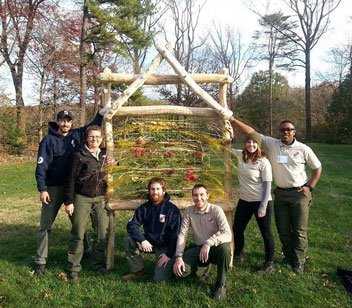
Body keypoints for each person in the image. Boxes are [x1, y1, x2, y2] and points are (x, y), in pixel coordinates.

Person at [230, 117, 322, 274]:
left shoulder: (303, 148)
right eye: (282, 130)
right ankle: (287, 256)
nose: (285, 132)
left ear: (294, 132)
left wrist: (310, 187)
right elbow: (252, 133)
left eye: (289, 129)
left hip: (299, 194)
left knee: (299, 230)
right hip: (280, 193)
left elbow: (317, 167)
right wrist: (232, 120)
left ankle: (298, 261)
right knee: (283, 229)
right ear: (279, 132)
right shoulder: (273, 144)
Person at [34, 108, 107, 275]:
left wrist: (101, 113)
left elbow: (93, 127)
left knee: (78, 224)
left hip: (73, 188)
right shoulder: (48, 140)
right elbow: (41, 166)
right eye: (62, 120)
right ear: (58, 122)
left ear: (71, 122)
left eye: (68, 120)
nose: (65, 123)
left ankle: (86, 252)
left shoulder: (76, 135)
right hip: (53, 187)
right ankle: (40, 261)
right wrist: (42, 189)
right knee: (46, 225)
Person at [64, 125, 111, 281]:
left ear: (102, 138)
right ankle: (74, 268)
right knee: (78, 232)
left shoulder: (105, 154)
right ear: (86, 138)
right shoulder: (79, 155)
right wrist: (69, 201)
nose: (95, 139)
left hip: (100, 198)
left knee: (102, 232)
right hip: (82, 197)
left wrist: (114, 164)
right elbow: (70, 179)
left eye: (98, 137)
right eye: (92, 137)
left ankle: (97, 265)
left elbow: (112, 173)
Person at [173, 184, 232, 301]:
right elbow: (182, 234)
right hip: (198, 248)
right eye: (195, 195)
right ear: (192, 197)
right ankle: (203, 267)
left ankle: (221, 283)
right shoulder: (189, 211)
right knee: (181, 272)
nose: (198, 198)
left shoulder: (216, 210)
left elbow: (227, 234)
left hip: (215, 248)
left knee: (225, 250)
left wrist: (209, 242)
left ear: (207, 196)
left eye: (201, 195)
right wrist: (178, 256)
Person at [122, 177, 181, 282]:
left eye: (158, 189)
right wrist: (143, 240)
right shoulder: (144, 208)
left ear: (164, 190)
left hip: (166, 247)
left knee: (160, 279)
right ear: (149, 191)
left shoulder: (172, 210)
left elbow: (175, 235)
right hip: (149, 243)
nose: (155, 192)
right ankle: (138, 271)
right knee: (128, 240)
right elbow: (131, 225)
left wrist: (168, 255)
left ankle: (173, 264)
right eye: (152, 189)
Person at [232, 132, 275, 273]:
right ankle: (238, 254)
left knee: (266, 232)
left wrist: (263, 206)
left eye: (254, 143)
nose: (251, 145)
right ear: (245, 143)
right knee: (237, 229)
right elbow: (224, 147)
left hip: (261, 201)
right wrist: (229, 134)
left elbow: (267, 184)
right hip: (244, 200)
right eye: (248, 142)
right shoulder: (241, 155)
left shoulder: (263, 162)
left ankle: (269, 263)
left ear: (258, 145)